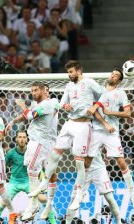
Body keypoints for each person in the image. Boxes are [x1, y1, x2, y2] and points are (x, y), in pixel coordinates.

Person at [29, 60, 112, 213]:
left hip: (83, 126)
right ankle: (44, 183)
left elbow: (105, 94)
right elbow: (61, 104)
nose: (69, 75)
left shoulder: (89, 83)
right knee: (54, 155)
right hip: (69, 123)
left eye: (71, 72)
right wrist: (65, 106)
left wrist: (94, 107)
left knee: (79, 164)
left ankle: (79, 194)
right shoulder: (68, 86)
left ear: (79, 71)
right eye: (68, 73)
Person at [5, 82, 61, 224]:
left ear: (44, 91)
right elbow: (26, 115)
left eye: (36, 90)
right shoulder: (41, 105)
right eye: (31, 91)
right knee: (42, 172)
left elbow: (29, 115)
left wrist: (22, 105)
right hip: (40, 142)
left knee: (32, 169)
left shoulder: (47, 104)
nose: (33, 93)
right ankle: (41, 203)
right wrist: (13, 121)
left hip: (40, 142)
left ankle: (34, 204)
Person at [87, 69, 134, 213]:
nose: (112, 76)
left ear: (119, 80)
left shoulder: (121, 93)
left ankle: (132, 194)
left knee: (121, 162)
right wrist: (105, 123)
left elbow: (128, 113)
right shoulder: (99, 90)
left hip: (112, 132)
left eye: (116, 75)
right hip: (98, 130)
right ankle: (80, 193)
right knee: (86, 161)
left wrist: (111, 113)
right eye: (112, 73)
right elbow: (95, 110)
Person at [0, 130, 61, 224]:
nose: (22, 139)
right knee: (4, 202)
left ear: (27, 139)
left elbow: (40, 166)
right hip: (14, 182)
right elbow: (2, 167)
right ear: (16, 139)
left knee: (44, 199)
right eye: (20, 137)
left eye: (24, 137)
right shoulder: (11, 153)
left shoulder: (32, 153)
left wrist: (43, 177)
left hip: (28, 182)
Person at [57, 152, 126, 224]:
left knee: (109, 197)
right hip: (83, 171)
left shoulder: (95, 138)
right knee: (74, 198)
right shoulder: (76, 139)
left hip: (99, 169)